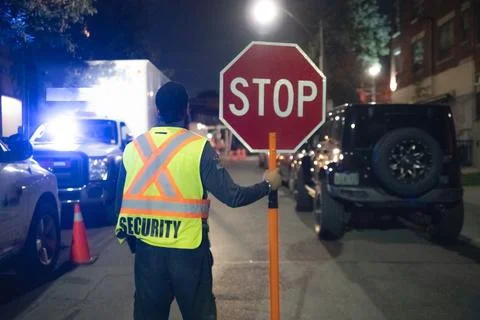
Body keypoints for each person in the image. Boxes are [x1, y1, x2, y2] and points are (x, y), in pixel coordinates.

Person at [114, 81, 282, 320]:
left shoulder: (133, 148)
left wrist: (138, 245)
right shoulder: (198, 148)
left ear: (157, 111)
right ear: (186, 111)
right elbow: (233, 196)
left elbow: (118, 207)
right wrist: (267, 185)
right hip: (189, 255)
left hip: (148, 255)